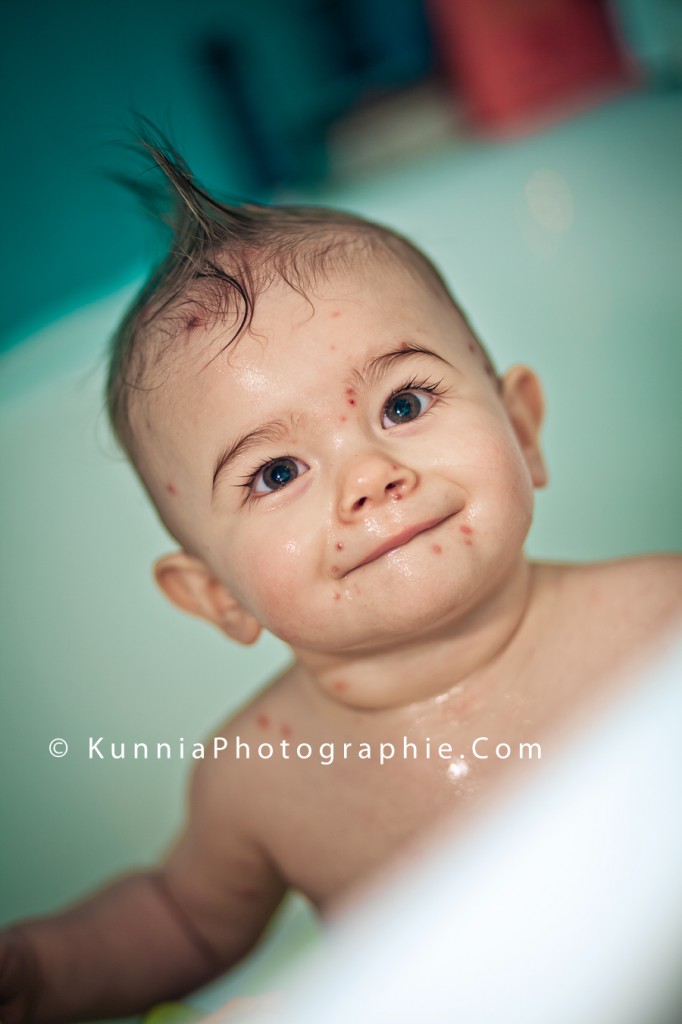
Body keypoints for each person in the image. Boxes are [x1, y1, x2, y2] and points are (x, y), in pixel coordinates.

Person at [1, 137, 680, 1024]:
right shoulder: (260, 779)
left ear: (522, 428)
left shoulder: (661, 622)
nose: (368, 476)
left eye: (402, 404)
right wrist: (43, 970)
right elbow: (184, 923)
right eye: (278, 472)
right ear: (216, 596)